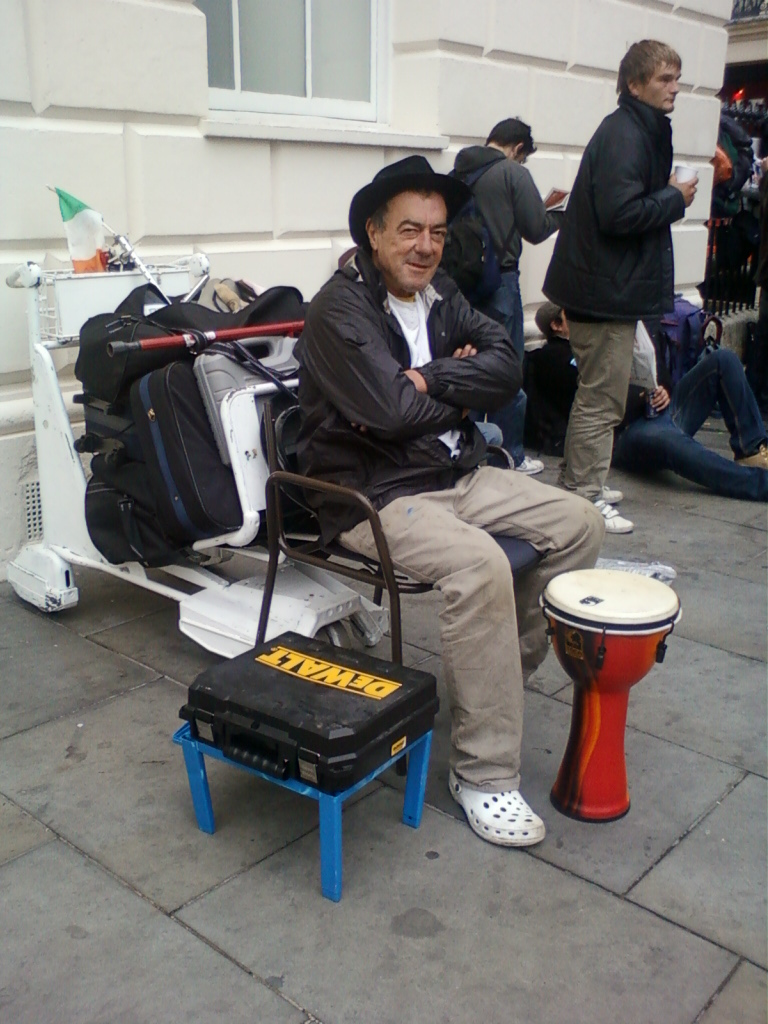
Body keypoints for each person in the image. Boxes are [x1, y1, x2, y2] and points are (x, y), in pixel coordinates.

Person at [295, 156, 604, 848]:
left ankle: (488, 692)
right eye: (409, 230)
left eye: (435, 231)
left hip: (455, 473)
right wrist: (452, 390)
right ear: (374, 233)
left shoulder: (442, 296)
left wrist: (431, 379)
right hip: (371, 494)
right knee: (482, 566)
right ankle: (484, 773)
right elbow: (388, 409)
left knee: (578, 523)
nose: (425, 246)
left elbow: (509, 367)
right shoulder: (338, 309)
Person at [543, 40, 698, 534]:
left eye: (676, 78)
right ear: (635, 85)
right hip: (603, 293)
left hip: (607, 288)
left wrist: (664, 191)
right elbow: (620, 214)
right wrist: (674, 197)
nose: (675, 88)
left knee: (600, 395)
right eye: (664, 80)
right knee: (601, 398)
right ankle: (584, 498)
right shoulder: (627, 134)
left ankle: (582, 480)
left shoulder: (633, 130)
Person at [533, 302, 768, 501]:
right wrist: (640, 395)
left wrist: (663, 389)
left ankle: (753, 449)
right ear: (556, 325)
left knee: (723, 360)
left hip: (660, 409)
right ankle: (759, 483)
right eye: (572, 314)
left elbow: (658, 370)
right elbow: (593, 399)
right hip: (628, 432)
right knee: (674, 444)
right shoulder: (553, 357)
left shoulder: (602, 342)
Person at [453, 118, 564, 475]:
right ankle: (509, 456)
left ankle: (470, 445)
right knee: (506, 366)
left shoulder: (461, 170)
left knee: (469, 361)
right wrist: (558, 215)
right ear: (518, 149)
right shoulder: (512, 174)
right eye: (524, 157)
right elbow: (536, 229)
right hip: (500, 282)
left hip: (464, 284)